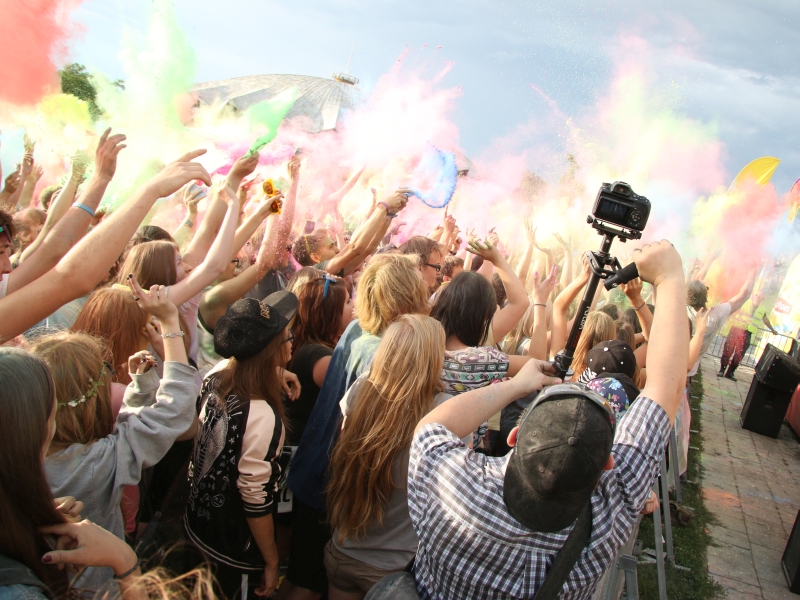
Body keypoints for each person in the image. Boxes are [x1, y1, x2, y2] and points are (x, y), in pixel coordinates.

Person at [407, 239, 690, 599]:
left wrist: (512, 388)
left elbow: (432, 427)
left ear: (515, 436)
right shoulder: (606, 520)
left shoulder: (452, 484)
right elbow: (666, 386)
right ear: (608, 462)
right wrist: (668, 279)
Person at [31, 276, 198, 594]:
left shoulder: (19, 457)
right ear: (90, 401)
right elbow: (174, 410)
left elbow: (128, 429)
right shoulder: (95, 464)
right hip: (98, 588)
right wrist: (169, 323)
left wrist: (141, 384)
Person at [285, 254, 429, 600]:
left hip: (313, 469)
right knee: (306, 585)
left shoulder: (357, 328)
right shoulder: (383, 354)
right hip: (331, 486)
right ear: (409, 296)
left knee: (304, 576)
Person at [325, 315, 467, 599]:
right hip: (393, 573)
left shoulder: (362, 389)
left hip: (342, 553)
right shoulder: (442, 410)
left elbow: (343, 456)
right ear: (430, 359)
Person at [0, 348, 146, 600]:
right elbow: (167, 419)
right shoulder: (19, 594)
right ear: (32, 432)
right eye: (53, 410)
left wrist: (29, 522)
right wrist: (124, 561)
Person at [184, 292, 298, 600]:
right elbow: (254, 499)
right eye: (287, 338)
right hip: (231, 546)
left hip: (197, 526)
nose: (291, 343)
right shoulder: (262, 417)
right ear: (272, 350)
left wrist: (273, 371)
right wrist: (272, 561)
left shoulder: (217, 374)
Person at [292, 190, 410, 277]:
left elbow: (368, 249)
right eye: (330, 246)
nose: (337, 249)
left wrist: (389, 214)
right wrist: (382, 206)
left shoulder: (333, 272)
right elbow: (355, 248)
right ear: (315, 257)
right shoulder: (316, 273)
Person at [71, 287, 152, 385]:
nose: (152, 335)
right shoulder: (115, 391)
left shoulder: (73, 365)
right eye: (150, 327)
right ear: (126, 337)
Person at [686, 274, 754, 378]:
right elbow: (744, 295)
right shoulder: (714, 316)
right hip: (686, 375)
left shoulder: (681, 311)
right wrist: (754, 271)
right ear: (705, 297)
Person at [719, 288, 777, 380]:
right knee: (728, 350)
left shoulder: (762, 310)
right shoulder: (745, 302)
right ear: (754, 295)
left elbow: (765, 320)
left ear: (763, 299)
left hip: (747, 333)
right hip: (736, 329)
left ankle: (730, 373)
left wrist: (772, 329)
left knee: (739, 355)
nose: (758, 297)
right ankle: (722, 370)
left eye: (760, 296)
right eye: (757, 295)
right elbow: (733, 307)